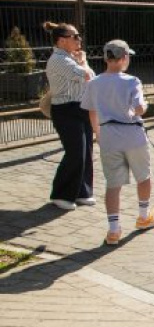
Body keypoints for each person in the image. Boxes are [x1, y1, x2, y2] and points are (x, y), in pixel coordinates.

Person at [81, 39, 154, 244]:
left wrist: (98, 134)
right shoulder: (132, 81)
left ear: (107, 58)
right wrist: (143, 107)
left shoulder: (94, 83)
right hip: (132, 134)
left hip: (108, 135)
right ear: (124, 58)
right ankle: (144, 216)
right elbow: (139, 108)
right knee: (143, 176)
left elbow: (92, 113)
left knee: (113, 184)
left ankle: (113, 230)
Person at [43, 21, 96, 210]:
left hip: (80, 108)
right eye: (75, 36)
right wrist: (83, 63)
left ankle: (83, 192)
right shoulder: (59, 60)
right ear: (62, 41)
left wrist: (82, 63)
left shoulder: (71, 57)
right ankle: (61, 194)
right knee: (75, 153)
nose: (79, 39)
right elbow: (88, 76)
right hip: (66, 111)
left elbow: (92, 78)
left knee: (86, 151)